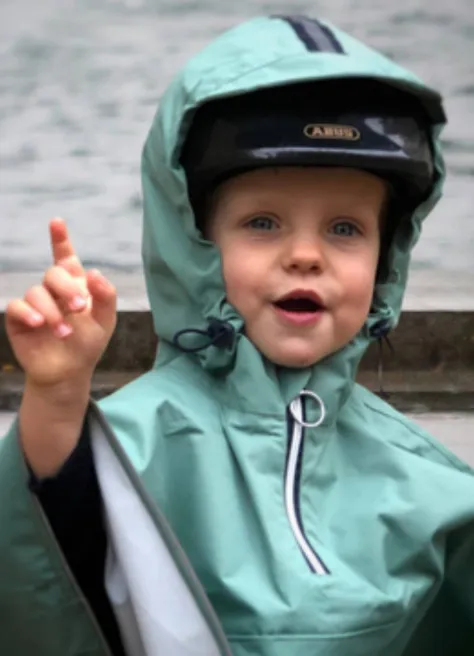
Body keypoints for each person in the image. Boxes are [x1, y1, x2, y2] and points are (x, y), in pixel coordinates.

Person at [1, 14, 473, 656]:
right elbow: (41, 567)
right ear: (194, 246)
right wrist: (57, 393)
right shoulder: (135, 446)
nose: (306, 255)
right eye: (263, 222)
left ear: (386, 259)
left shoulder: (436, 485)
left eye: (345, 229)